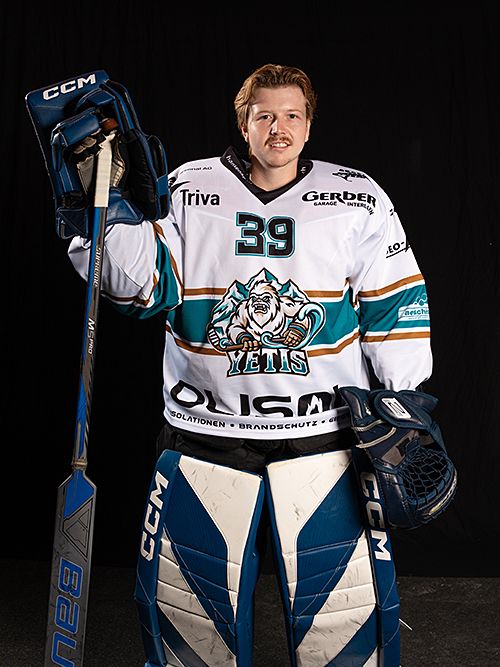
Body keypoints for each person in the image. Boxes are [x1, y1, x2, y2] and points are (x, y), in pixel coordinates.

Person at [69, 64, 432, 666]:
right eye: (264, 115)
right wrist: (97, 216)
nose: (278, 128)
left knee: (343, 623)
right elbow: (138, 285)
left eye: (292, 115)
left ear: (309, 125)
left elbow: (394, 299)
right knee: (191, 624)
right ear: (244, 123)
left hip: (324, 437)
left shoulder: (357, 197)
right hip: (205, 434)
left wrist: (403, 398)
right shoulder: (188, 189)